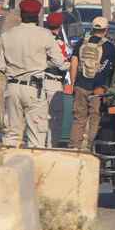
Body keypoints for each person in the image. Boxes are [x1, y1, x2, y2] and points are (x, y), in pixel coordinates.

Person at [0, 0, 66, 148]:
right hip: (34, 88)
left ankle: (9, 168)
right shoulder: (45, 35)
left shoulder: (7, 36)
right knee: (36, 137)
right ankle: (35, 169)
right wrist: (44, 64)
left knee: (12, 135)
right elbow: (61, 63)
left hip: (12, 88)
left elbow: (0, 65)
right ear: (38, 15)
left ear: (21, 15)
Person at [68, 16, 115, 151]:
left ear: (92, 28)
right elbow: (108, 69)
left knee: (79, 118)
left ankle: (74, 147)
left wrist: (72, 83)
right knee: (95, 117)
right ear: (106, 30)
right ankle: (90, 146)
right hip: (97, 89)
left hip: (80, 85)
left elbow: (74, 62)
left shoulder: (81, 43)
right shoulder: (109, 47)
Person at [43, 11, 71, 145]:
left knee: (40, 118)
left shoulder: (39, 39)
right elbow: (63, 65)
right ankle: (51, 147)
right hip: (54, 83)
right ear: (60, 26)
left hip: (39, 81)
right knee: (55, 119)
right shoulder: (59, 43)